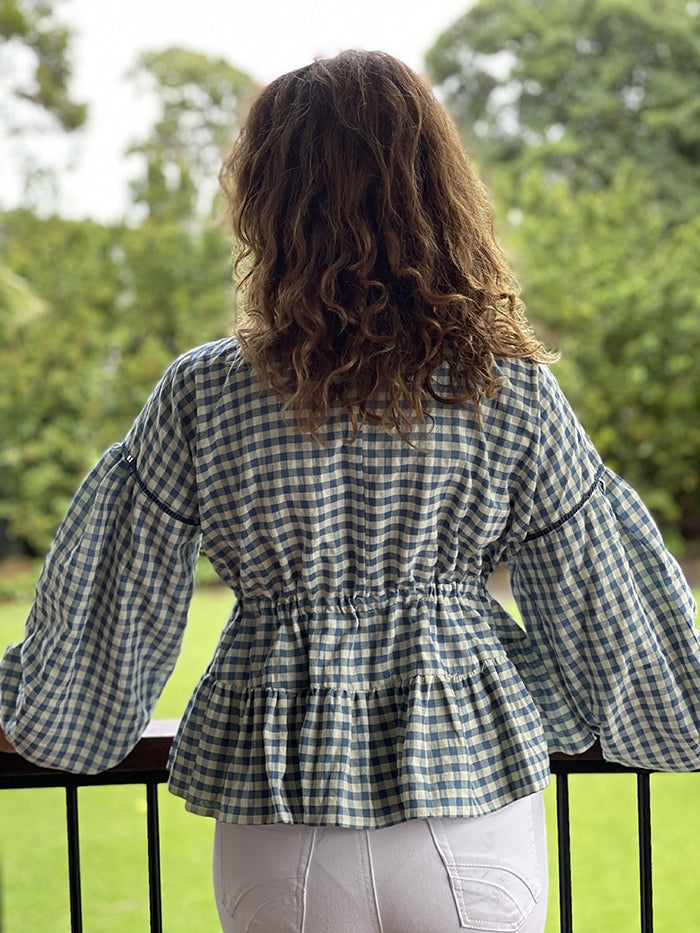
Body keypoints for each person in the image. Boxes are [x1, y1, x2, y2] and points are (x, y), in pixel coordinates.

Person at [1, 49, 699, 933]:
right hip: (471, 797)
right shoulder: (505, 388)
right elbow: (605, 595)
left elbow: (108, 610)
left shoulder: (204, 392)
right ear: (435, 189)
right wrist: (683, 701)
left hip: (279, 812)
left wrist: (43, 709)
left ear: (267, 199)